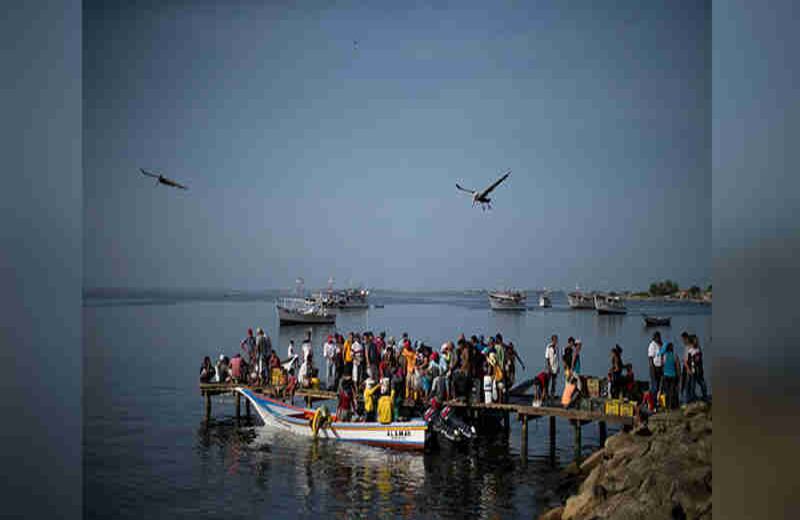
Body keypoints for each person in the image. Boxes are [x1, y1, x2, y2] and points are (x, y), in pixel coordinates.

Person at [658, 342, 681, 409]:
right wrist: (679, 375)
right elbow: (677, 366)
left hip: (665, 375)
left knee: (667, 392)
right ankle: (672, 406)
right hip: (673, 376)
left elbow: (662, 365)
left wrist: (662, 374)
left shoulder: (664, 356)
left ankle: (667, 406)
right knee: (672, 391)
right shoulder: (675, 355)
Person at [687, 334, 708, 401]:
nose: (697, 341)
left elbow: (699, 359)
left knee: (703, 384)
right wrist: (689, 370)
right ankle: (692, 398)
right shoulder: (690, 351)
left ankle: (704, 396)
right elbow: (690, 361)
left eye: (697, 339)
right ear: (692, 341)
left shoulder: (698, 349)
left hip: (700, 370)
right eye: (696, 340)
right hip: (694, 371)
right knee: (693, 385)